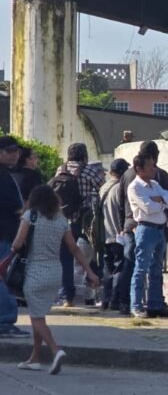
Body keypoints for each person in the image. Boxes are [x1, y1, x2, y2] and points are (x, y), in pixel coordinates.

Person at [12, 186, 100, 374]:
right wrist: (90, 272)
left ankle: (55, 350)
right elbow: (73, 248)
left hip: (34, 270)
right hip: (55, 271)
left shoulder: (30, 217)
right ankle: (35, 358)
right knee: (39, 315)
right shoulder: (61, 221)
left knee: (35, 317)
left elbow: (17, 244)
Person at [118, 141, 168, 312]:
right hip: (145, 228)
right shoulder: (135, 186)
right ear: (140, 168)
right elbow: (148, 208)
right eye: (151, 166)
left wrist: (159, 201)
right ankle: (135, 305)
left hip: (159, 229)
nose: (154, 169)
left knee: (156, 269)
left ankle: (155, 304)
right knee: (140, 268)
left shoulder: (155, 184)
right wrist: (160, 202)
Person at [53, 142, 106, 307]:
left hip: (64, 218)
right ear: (84, 155)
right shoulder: (89, 170)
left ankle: (66, 296)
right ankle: (89, 293)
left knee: (66, 258)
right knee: (90, 255)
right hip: (85, 220)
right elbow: (102, 187)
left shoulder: (60, 169)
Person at [0, 136, 31, 339]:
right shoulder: (3, 177)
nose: (15, 154)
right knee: (3, 278)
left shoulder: (6, 174)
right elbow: (17, 208)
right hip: (4, 234)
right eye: (9, 151)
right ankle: (5, 320)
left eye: (16, 151)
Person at [98, 159, 130, 313]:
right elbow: (122, 210)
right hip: (118, 234)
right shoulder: (120, 188)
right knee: (119, 269)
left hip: (105, 234)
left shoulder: (104, 187)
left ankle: (105, 299)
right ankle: (115, 301)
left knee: (107, 269)